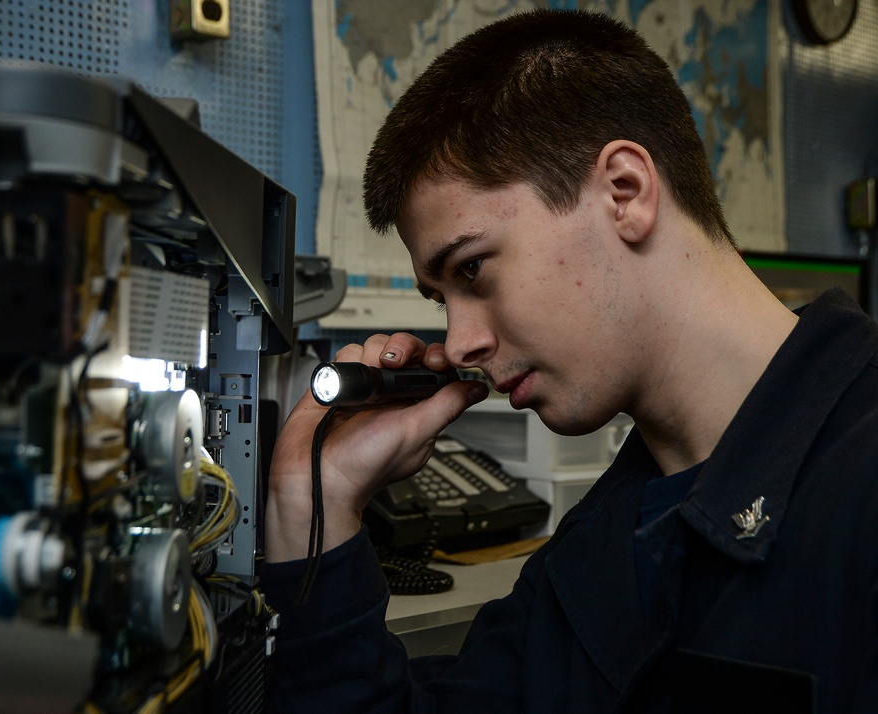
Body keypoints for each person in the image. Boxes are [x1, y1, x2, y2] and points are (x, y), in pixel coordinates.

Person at [260, 8, 878, 713]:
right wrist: (318, 504)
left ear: (625, 192)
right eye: (442, 300)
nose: (458, 343)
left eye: (472, 269)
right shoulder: (597, 550)